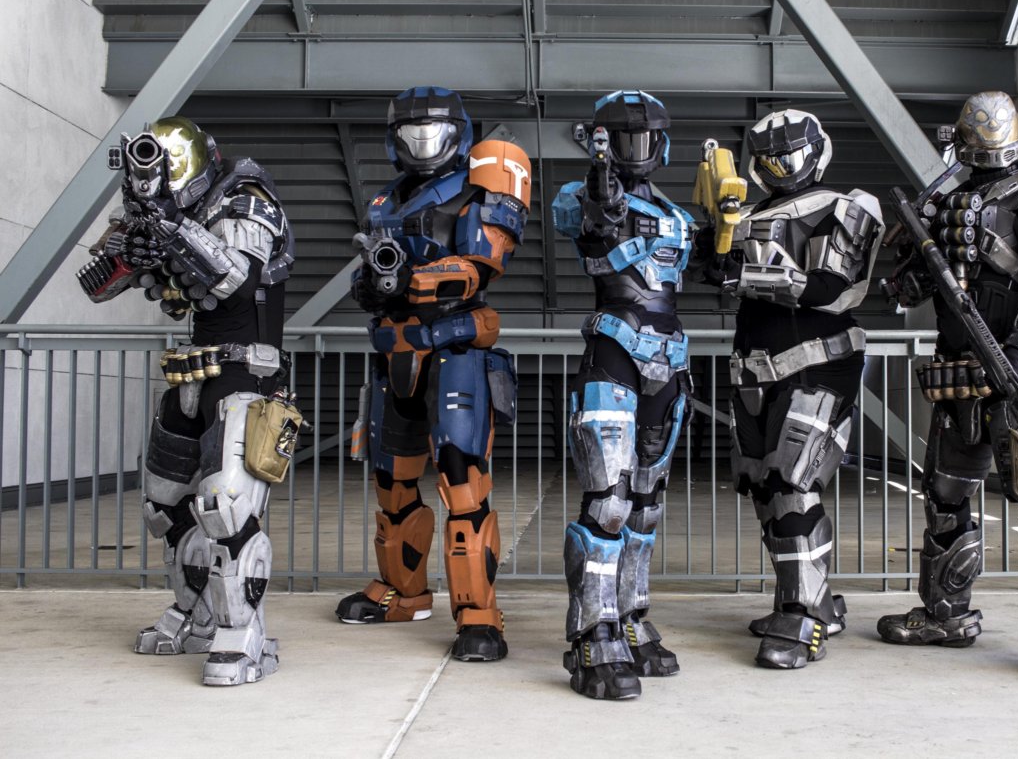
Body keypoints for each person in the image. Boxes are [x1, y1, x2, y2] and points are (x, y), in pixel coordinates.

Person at [877, 90, 1018, 688]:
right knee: (944, 499)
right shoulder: (946, 200)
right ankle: (945, 614)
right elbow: (907, 289)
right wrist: (912, 249)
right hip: (959, 378)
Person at [77, 116, 296, 686]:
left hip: (248, 372)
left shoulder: (246, 199)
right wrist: (138, 242)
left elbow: (237, 281)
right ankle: (195, 613)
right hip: (193, 375)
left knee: (227, 507)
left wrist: (171, 227)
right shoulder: (172, 214)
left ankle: (242, 632)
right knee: (164, 508)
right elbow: (98, 285)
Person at [334, 86, 530, 663]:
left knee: (462, 484)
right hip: (395, 354)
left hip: (455, 351)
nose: (423, 141)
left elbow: (479, 266)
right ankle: (404, 593)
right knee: (391, 484)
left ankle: (478, 614)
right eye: (411, 132)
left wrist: (417, 277)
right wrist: (373, 285)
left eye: (434, 131)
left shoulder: (479, 186)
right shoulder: (385, 202)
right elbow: (368, 279)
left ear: (458, 134)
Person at [693, 109, 883, 668]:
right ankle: (811, 600)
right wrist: (713, 240)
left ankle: (802, 616)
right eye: (771, 158)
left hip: (820, 363)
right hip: (757, 370)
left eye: (791, 154)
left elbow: (831, 287)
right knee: (764, 487)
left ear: (816, 151)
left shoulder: (847, 205)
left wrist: (743, 273)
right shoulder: (747, 215)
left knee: (794, 482)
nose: (783, 165)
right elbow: (711, 269)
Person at [552, 90, 693, 700]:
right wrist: (600, 188)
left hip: (670, 357)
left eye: (645, 138)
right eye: (623, 139)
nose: (636, 149)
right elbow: (585, 218)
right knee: (607, 501)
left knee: (645, 505)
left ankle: (631, 616)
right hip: (614, 352)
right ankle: (592, 631)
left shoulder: (674, 212)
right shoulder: (588, 194)